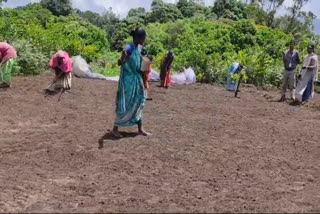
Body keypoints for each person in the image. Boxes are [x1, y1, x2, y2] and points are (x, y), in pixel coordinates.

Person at [112, 29, 150, 138]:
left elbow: (142, 62)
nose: (144, 40)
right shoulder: (129, 48)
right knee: (124, 103)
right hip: (128, 80)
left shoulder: (140, 48)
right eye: (143, 38)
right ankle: (115, 128)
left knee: (140, 101)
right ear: (137, 38)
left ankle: (140, 128)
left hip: (137, 79)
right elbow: (122, 60)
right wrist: (122, 59)